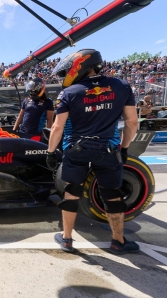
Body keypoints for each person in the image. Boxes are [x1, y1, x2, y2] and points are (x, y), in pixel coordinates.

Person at [46, 49, 139, 255]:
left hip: (76, 149)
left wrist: (51, 152)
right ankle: (118, 241)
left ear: (79, 66)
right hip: (108, 149)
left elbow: (57, 127)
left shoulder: (69, 92)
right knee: (112, 195)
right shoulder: (121, 86)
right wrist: (124, 148)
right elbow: (132, 122)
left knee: (71, 193)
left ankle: (67, 239)